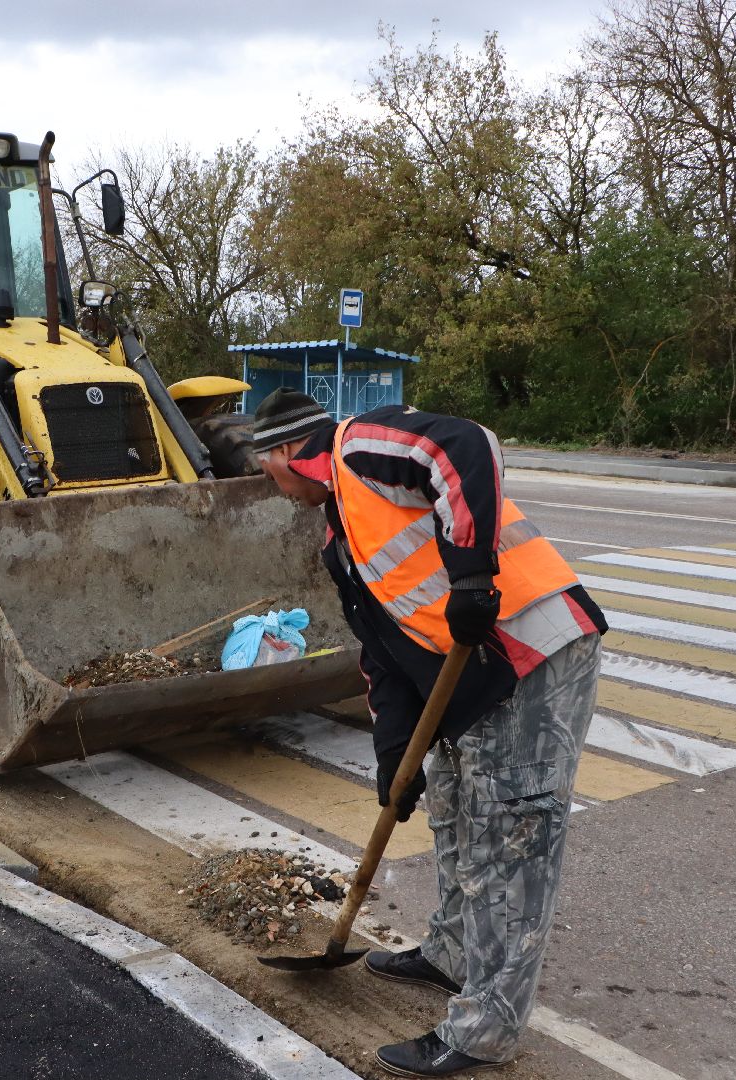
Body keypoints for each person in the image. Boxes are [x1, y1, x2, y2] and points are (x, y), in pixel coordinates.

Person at [251, 388, 607, 1078]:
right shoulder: (340, 540)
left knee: (513, 837)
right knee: (453, 807)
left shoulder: (359, 446)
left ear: (289, 451)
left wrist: (473, 577)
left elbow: (464, 447)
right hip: (471, 673)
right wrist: (394, 757)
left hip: (530, 647)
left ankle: (485, 1031)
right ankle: (451, 953)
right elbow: (382, 656)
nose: (266, 483)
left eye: (263, 465)